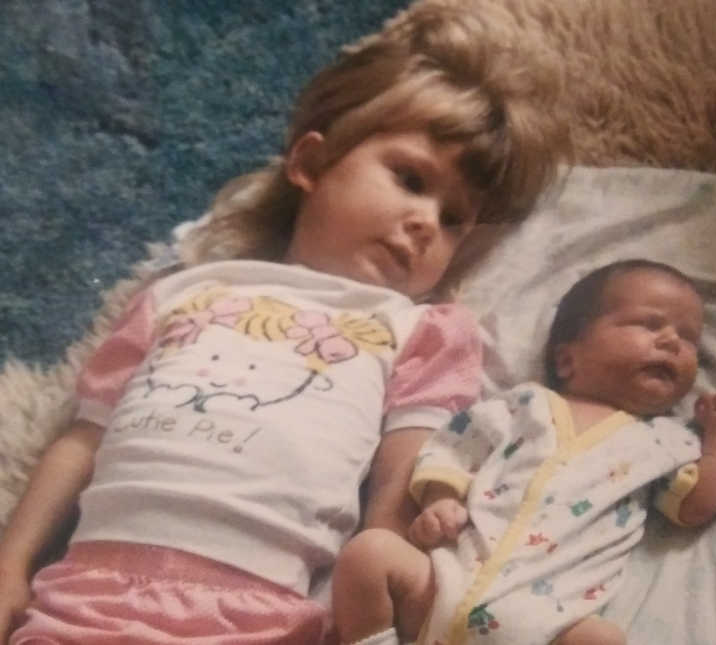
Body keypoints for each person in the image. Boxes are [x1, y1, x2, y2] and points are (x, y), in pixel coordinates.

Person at [0, 5, 570, 644]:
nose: (425, 222)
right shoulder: (181, 292)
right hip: (83, 594)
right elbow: (82, 438)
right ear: (310, 163)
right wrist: (11, 561)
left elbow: (401, 473)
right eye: (409, 179)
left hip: (259, 614)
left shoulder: (418, 328)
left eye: (455, 219)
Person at [332, 259, 716, 645]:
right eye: (649, 324)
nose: (671, 342)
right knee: (370, 553)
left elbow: (696, 504)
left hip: (544, 621)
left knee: (604, 639)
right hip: (443, 581)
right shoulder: (524, 405)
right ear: (568, 359)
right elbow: (453, 449)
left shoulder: (664, 441)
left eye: (689, 339)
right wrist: (440, 499)